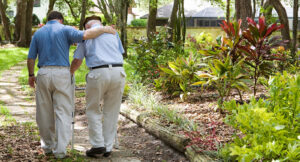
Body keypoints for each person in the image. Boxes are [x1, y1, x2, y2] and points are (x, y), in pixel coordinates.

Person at [27, 11, 116, 159]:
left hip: (42, 73)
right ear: (60, 20)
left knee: (43, 112)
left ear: (48, 20)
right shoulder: (66, 29)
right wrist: (105, 29)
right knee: (63, 112)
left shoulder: (38, 33)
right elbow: (88, 34)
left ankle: (47, 147)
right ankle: (60, 151)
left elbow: (31, 58)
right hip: (62, 73)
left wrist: (31, 75)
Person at [70, 15, 126, 158]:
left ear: (86, 27)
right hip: (118, 71)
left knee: (93, 109)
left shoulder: (86, 35)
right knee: (112, 111)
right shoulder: (113, 33)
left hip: (98, 72)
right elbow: (120, 52)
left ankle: (97, 144)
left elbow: (77, 61)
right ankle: (108, 147)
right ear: (99, 23)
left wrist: (69, 73)